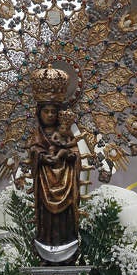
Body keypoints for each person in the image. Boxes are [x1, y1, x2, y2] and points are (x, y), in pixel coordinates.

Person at [29, 65, 81, 262]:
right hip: (44, 185)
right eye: (46, 111)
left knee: (65, 220)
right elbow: (34, 151)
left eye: (53, 111)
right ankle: (46, 246)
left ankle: (68, 246)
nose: (50, 115)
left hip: (67, 183)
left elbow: (75, 153)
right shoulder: (37, 135)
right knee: (47, 220)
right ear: (39, 112)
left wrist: (68, 156)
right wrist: (42, 157)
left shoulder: (67, 134)